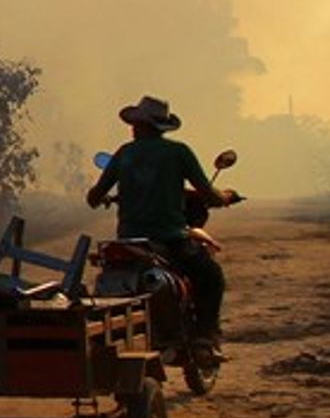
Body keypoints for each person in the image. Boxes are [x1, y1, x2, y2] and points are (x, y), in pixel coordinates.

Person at [87, 94, 231, 356]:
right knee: (211, 277)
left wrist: (107, 197)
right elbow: (207, 193)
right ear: (161, 127)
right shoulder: (178, 152)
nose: (131, 128)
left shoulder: (124, 153)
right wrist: (224, 197)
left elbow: (93, 198)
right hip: (170, 238)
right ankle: (204, 338)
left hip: (129, 240)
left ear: (141, 125)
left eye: (135, 123)